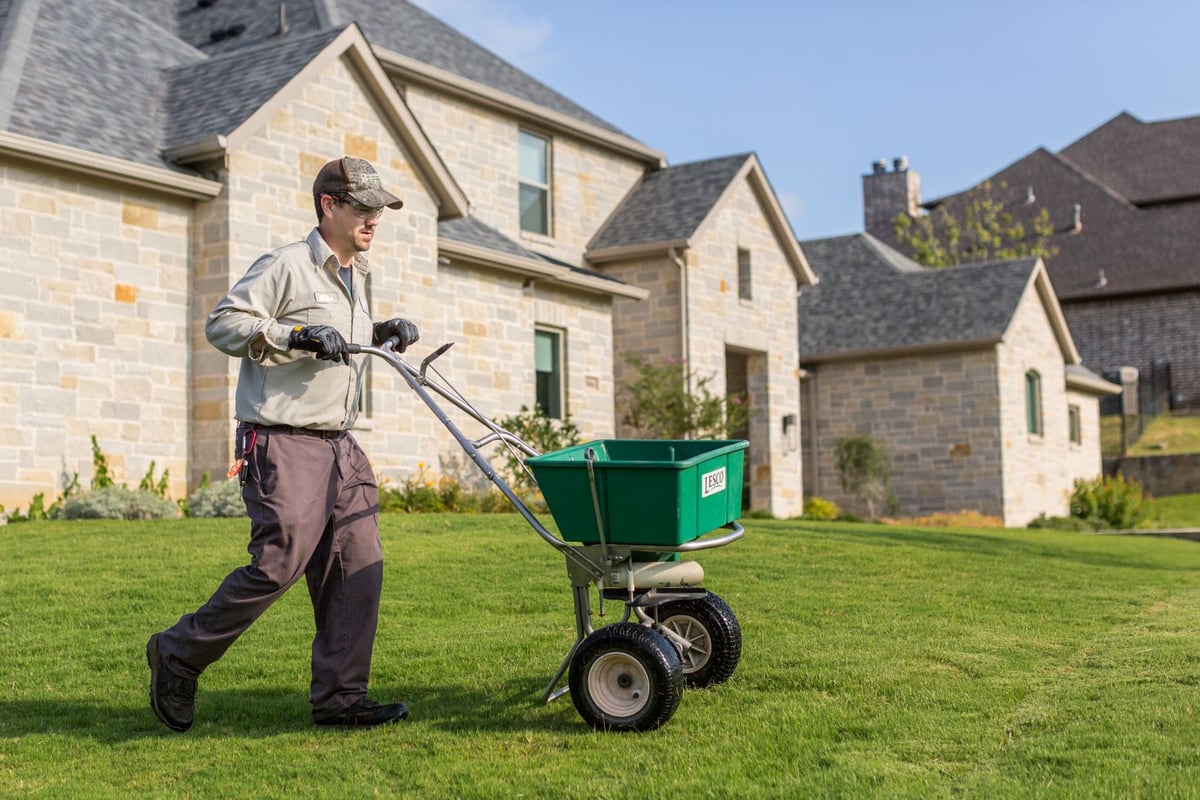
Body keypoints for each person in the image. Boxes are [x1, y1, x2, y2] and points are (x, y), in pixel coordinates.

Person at [147, 157, 420, 731]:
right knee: (277, 565)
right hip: (282, 439)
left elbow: (337, 339)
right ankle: (178, 652)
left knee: (358, 567)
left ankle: (342, 699)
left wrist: (378, 332)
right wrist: (292, 335)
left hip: (341, 444)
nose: (375, 217)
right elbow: (223, 323)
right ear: (329, 205)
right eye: (363, 207)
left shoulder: (356, 273)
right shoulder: (288, 265)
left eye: (379, 209)